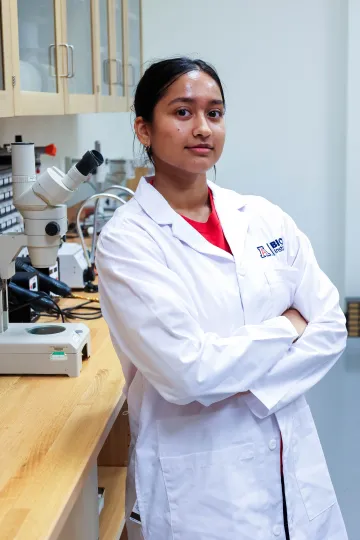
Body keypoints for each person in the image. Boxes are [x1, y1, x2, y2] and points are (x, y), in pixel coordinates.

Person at [95, 57, 348, 540]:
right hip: (205, 490)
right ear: (144, 129)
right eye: (183, 112)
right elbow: (187, 372)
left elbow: (332, 325)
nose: (203, 128)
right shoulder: (128, 241)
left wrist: (244, 387)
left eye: (215, 113)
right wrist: (288, 327)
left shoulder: (262, 217)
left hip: (293, 463)